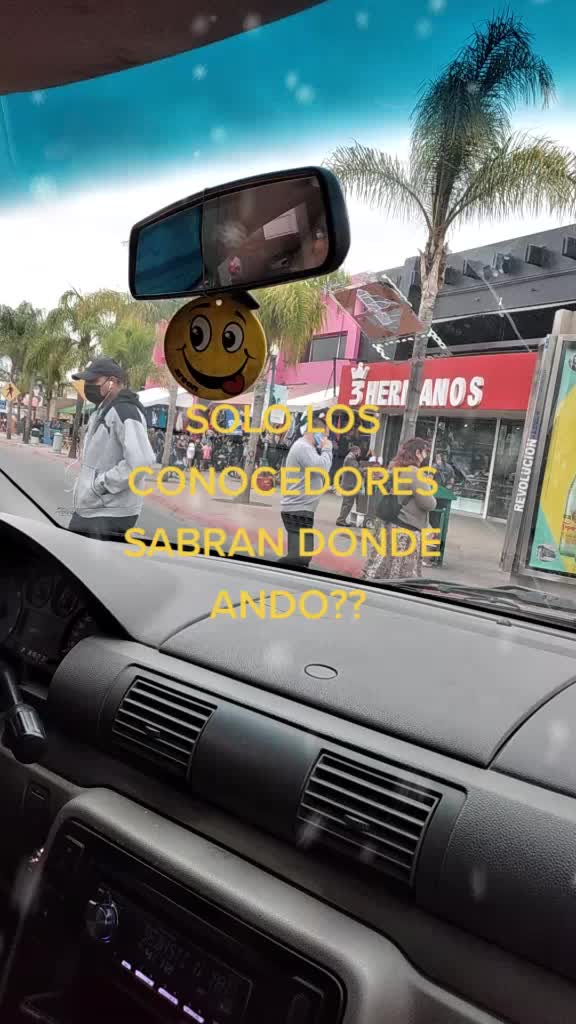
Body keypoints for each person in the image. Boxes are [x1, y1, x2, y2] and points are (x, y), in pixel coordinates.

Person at [68, 357, 156, 540]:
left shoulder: (125, 410)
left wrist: (101, 485)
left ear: (112, 382)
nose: (88, 386)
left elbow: (141, 462)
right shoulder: (102, 410)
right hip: (95, 508)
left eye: (93, 381)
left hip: (110, 512)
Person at [362, 437, 436, 581]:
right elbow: (429, 503)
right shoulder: (414, 472)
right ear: (417, 452)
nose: (426, 455)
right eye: (425, 452)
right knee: (402, 573)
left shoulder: (398, 468)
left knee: (385, 565)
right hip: (407, 528)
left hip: (393, 524)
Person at [278, 414, 333, 567]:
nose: (326, 439)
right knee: (301, 557)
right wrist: (327, 449)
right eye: (325, 435)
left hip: (301, 509)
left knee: (301, 557)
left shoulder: (307, 448)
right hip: (298, 509)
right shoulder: (303, 447)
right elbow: (322, 468)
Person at [336, 444, 362, 526]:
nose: (359, 454)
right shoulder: (350, 458)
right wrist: (365, 470)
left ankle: (341, 519)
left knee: (347, 503)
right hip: (349, 485)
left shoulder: (350, 458)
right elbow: (356, 469)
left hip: (349, 484)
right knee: (347, 504)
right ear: (355, 451)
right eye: (359, 452)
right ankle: (341, 520)